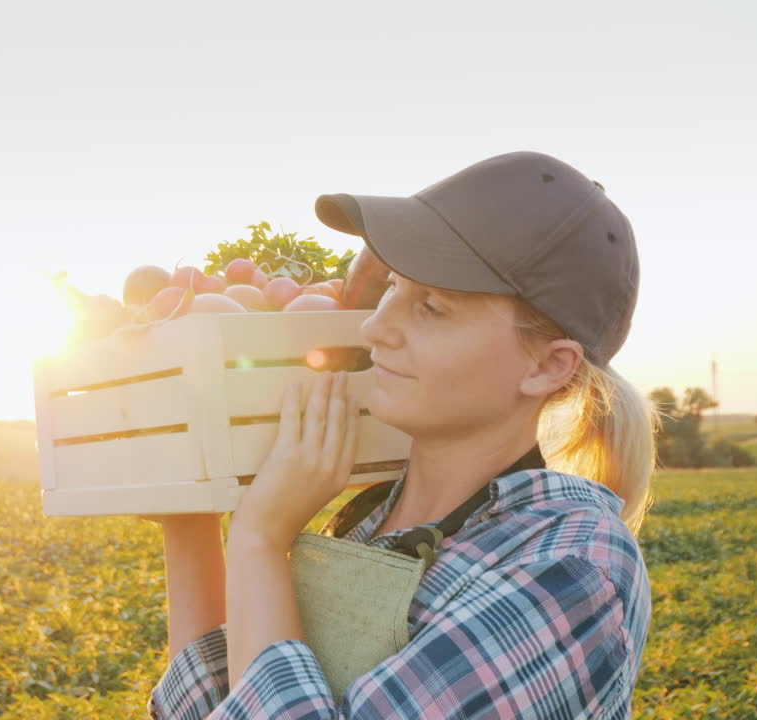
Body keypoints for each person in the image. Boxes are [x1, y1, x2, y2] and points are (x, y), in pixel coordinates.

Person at [145, 151, 655, 719]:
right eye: (392, 288)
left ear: (547, 366)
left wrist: (259, 538)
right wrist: (186, 515)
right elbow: (210, 705)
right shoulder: (365, 521)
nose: (375, 327)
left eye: (432, 308)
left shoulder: (573, 568)